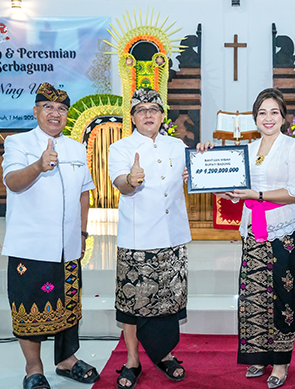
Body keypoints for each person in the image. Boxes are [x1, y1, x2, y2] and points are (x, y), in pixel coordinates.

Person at [203, 88, 295, 389]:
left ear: (283, 116)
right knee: (254, 295)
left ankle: (280, 362)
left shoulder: (293, 148)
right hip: (253, 231)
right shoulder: (247, 150)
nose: (268, 118)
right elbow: (233, 193)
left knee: (282, 294)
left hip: (283, 231)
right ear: (255, 117)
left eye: (274, 112)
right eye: (262, 112)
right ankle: (258, 355)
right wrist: (205, 177)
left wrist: (258, 195)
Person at [2, 82, 99, 389]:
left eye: (61, 109)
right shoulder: (17, 143)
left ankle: (67, 360)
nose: (55, 114)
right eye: (48, 107)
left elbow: (85, 193)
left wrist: (83, 233)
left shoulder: (75, 147)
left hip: (68, 246)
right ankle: (33, 368)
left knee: (69, 304)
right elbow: (13, 182)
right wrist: (38, 165)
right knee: (30, 306)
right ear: (36, 111)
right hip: (30, 247)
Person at [108, 88, 191, 389]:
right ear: (132, 116)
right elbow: (121, 183)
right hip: (138, 236)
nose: (147, 114)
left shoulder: (178, 146)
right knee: (132, 301)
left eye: (153, 109)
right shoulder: (120, 147)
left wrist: (200, 167)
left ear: (161, 115)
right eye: (141, 110)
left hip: (173, 235)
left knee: (169, 299)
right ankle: (132, 360)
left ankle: (166, 355)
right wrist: (131, 180)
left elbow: (193, 177)